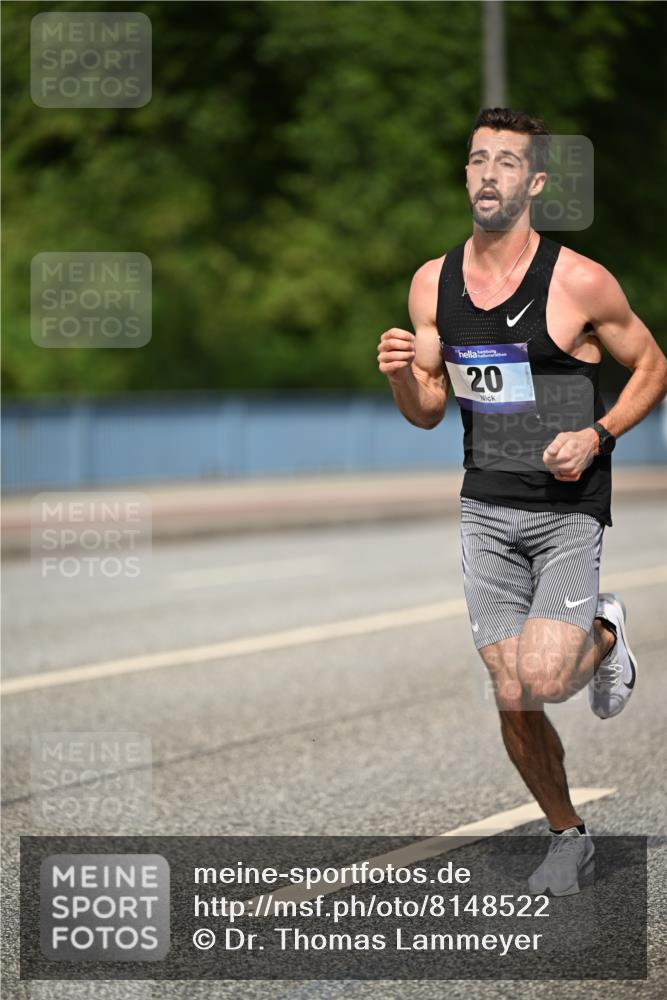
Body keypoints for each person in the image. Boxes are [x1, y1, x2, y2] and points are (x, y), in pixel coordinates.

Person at [377, 107, 667, 896]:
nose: (488, 174)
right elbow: (427, 409)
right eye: (478, 160)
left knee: (544, 681)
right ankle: (567, 836)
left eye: (506, 162)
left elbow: (651, 366)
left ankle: (604, 630)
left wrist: (598, 434)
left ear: (534, 183)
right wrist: (401, 374)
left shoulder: (578, 280)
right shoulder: (432, 283)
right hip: (485, 505)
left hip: (566, 506)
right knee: (510, 693)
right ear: (465, 174)